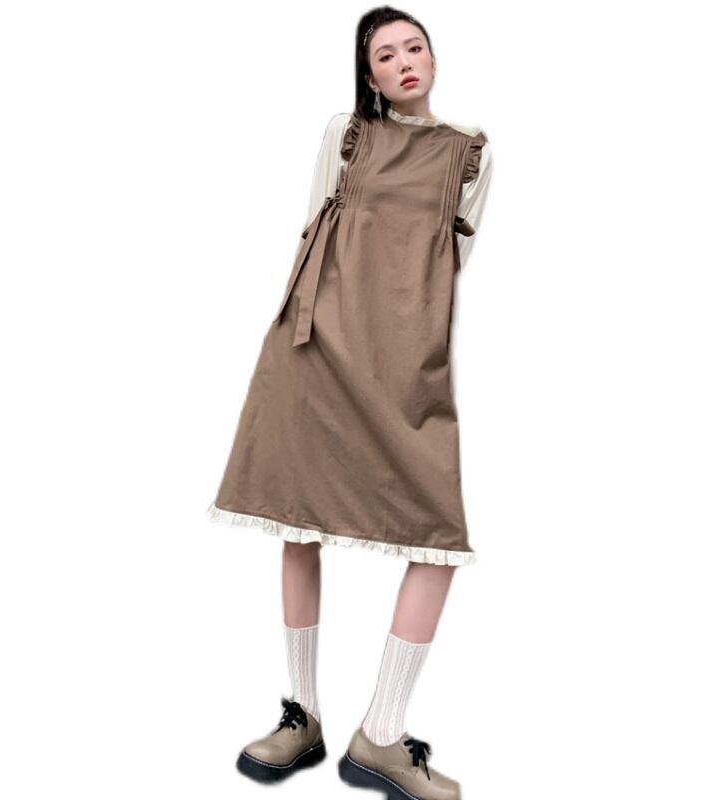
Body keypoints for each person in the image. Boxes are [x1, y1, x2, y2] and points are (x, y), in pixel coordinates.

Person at [206, 7, 493, 799]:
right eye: (385, 55)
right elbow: (313, 231)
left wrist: (410, 350)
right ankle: (302, 716)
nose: (404, 61)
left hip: (404, 362)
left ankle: (383, 735)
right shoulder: (347, 134)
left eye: (414, 47)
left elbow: (452, 260)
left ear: (433, 57)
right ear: (369, 76)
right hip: (316, 352)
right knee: (297, 521)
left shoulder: (471, 152)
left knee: (437, 539)